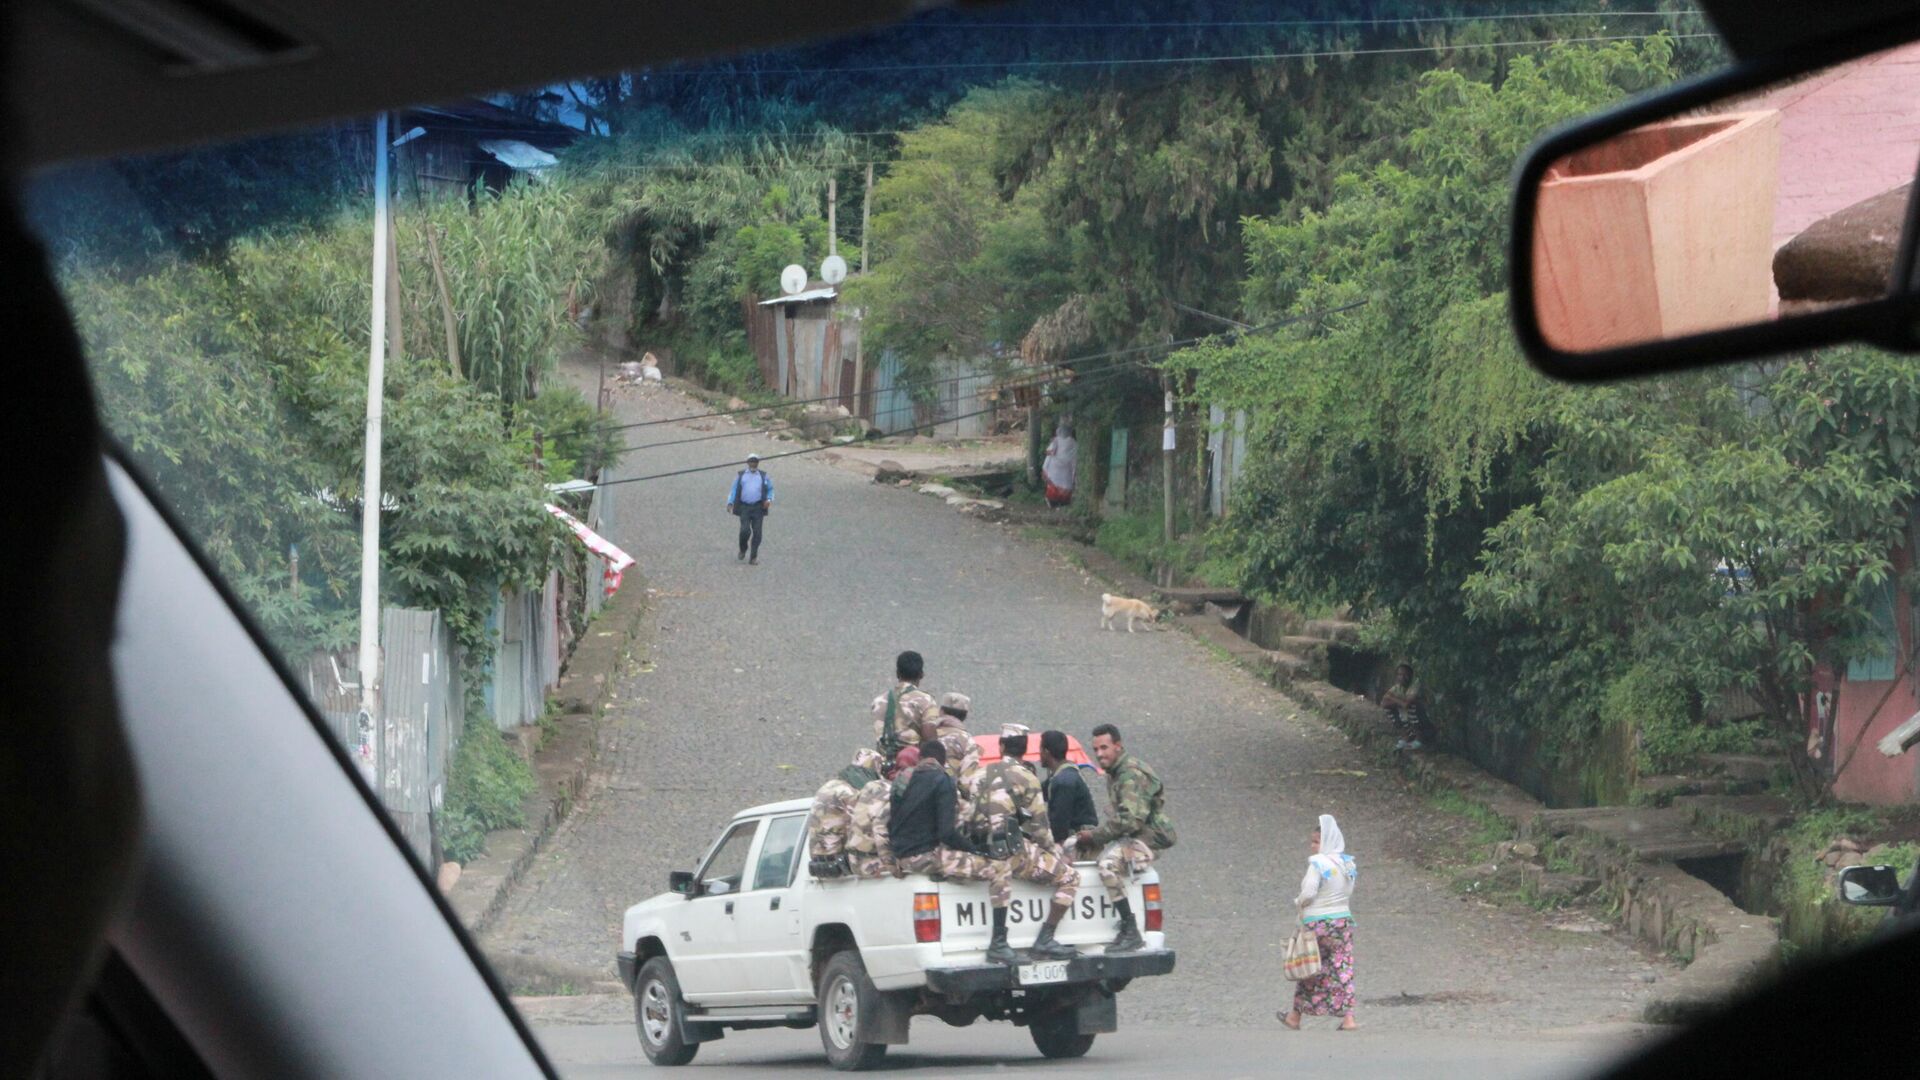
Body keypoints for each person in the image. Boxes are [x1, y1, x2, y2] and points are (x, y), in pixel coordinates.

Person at [889, 740, 1017, 963]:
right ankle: (999, 942)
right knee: (999, 868)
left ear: (920, 759)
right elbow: (946, 833)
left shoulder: (902, 781)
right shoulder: (943, 780)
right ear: (943, 761)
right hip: (925, 856)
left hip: (902, 858)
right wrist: (976, 850)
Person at [967, 724, 1081, 960]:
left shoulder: (977, 776)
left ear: (1001, 746)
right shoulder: (1027, 778)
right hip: (1011, 852)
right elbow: (1040, 828)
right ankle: (1045, 939)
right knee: (1070, 878)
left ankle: (999, 941)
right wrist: (1054, 852)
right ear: (1026, 749)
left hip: (980, 852)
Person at [1075, 723, 1175, 954]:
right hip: (1134, 833)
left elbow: (1131, 821)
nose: (1099, 754)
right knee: (1080, 851)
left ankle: (1131, 929)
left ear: (1118, 746)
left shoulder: (1130, 774)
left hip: (1150, 836)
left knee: (1107, 865)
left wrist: (1096, 836)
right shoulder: (1116, 772)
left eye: (1104, 748)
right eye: (1096, 749)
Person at [1281, 814, 1359, 1031]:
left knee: (1308, 967)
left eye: (1316, 841)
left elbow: (1308, 891)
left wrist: (1299, 903)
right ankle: (1349, 1018)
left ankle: (1295, 1016)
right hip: (1343, 921)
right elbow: (1348, 891)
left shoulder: (1317, 863)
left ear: (1326, 842)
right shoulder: (1347, 863)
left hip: (1317, 922)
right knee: (1342, 967)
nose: (1312, 846)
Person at [807, 748, 884, 878]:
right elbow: (863, 823)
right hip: (840, 858)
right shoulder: (852, 791)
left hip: (818, 857)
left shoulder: (830, 785)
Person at [848, 746, 918, 879]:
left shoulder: (869, 787)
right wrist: (891, 865)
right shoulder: (894, 790)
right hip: (873, 863)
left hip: (854, 860)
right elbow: (880, 827)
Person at [871, 650, 938, 759]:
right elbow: (930, 741)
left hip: (883, 764)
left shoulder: (878, 701)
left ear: (897, 673)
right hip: (911, 765)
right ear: (921, 674)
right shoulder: (926, 701)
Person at [1040, 729, 1099, 850]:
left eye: (1040, 750)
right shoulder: (1061, 775)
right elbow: (1038, 792)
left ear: (1046, 752)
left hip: (1078, 843)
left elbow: (1059, 823)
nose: (1039, 754)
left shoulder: (1063, 781)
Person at [726, 452, 773, 564]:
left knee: (757, 533)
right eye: (751, 461)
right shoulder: (741, 475)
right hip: (744, 507)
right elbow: (734, 489)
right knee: (744, 530)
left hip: (758, 507)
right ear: (747, 462)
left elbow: (770, 489)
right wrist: (730, 502)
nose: (753, 463)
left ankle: (753, 557)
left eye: (755, 461)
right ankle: (743, 549)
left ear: (758, 463)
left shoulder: (763, 476)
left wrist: (769, 500)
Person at [932, 692, 981, 784]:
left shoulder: (927, 732)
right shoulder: (967, 740)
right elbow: (967, 780)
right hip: (949, 794)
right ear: (965, 716)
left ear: (941, 711)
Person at [1380, 663, 1428, 750]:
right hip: (1406, 717)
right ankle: (1407, 737)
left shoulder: (1415, 686)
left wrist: (1393, 698)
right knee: (1388, 708)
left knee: (1412, 706)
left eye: (1405, 675)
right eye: (1400, 674)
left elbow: (1406, 704)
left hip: (1423, 718)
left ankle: (1419, 739)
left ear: (1411, 676)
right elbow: (1383, 703)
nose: (1402, 677)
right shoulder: (1397, 687)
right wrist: (1398, 702)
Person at [1042, 419, 1077, 509]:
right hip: (1067, 468)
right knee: (1066, 484)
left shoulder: (1056, 440)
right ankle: (1064, 503)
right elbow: (1075, 456)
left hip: (1055, 467)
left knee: (1054, 483)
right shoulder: (1074, 442)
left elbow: (1049, 452)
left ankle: (1053, 502)